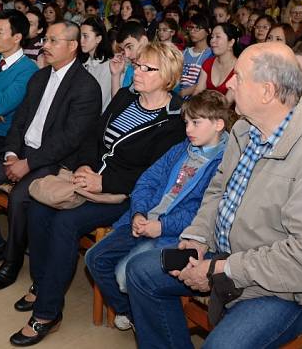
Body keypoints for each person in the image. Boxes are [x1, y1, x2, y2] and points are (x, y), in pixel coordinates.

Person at [125, 42, 302, 349]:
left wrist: (220, 269)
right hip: (232, 254)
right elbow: (218, 190)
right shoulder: (245, 130)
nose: (230, 83)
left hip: (294, 285)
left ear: (267, 91)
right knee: (140, 272)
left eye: (239, 77)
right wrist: (197, 238)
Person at [9, 41, 186, 346]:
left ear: (168, 76)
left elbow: (153, 174)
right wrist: (85, 167)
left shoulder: (174, 120)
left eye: (147, 68)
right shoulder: (125, 97)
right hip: (89, 178)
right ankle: (42, 284)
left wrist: (103, 182)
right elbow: (93, 134)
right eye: (137, 65)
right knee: (38, 208)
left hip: (126, 196)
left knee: (66, 222)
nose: (137, 72)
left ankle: (47, 312)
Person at [0, 21, 102, 291]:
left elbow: (69, 139)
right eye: (45, 39)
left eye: (53, 41)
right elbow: (19, 123)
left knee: (20, 197)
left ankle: (12, 261)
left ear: (72, 46)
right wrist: (12, 153)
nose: (45, 45)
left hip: (53, 162)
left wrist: (29, 163)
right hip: (21, 153)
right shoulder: (39, 77)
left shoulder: (86, 87)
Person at [85, 90, 231, 331]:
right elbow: (146, 180)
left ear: (218, 124)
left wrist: (161, 226)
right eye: (186, 123)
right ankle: (131, 312)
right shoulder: (182, 148)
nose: (188, 130)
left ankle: (142, 314)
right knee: (94, 258)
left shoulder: (223, 162)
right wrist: (139, 213)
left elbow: (203, 212)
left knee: (124, 276)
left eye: (196, 123)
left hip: (172, 233)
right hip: (144, 220)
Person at [192, 23, 240, 97]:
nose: (212, 41)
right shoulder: (208, 63)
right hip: (205, 107)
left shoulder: (239, 68)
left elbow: (227, 102)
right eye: (212, 37)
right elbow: (198, 91)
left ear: (231, 42)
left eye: (218, 37)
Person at [80, 17, 113, 112]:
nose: (81, 41)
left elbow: (99, 101)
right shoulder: (85, 63)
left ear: (98, 38)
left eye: (85, 36)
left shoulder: (108, 66)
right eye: (80, 36)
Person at [110, 21, 150, 97]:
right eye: (123, 50)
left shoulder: (162, 67)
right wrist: (115, 75)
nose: (127, 55)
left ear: (144, 41)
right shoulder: (131, 69)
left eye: (129, 47)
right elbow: (118, 104)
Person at [179, 14, 213, 98]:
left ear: (208, 31)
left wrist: (184, 92)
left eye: (197, 28)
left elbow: (208, 82)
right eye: (191, 28)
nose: (192, 31)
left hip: (198, 100)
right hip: (178, 97)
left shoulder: (211, 54)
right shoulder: (184, 52)